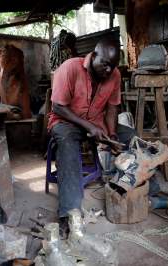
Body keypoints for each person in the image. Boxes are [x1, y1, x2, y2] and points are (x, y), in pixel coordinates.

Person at [47, 39, 121, 237]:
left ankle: (146, 192)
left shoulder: (114, 75)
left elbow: (112, 108)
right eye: (105, 64)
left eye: (112, 66)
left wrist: (112, 135)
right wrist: (89, 127)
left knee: (131, 138)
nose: (108, 70)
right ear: (93, 56)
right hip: (65, 122)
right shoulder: (70, 68)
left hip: (95, 122)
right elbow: (57, 107)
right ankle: (68, 215)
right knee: (69, 153)